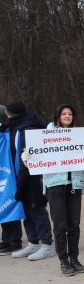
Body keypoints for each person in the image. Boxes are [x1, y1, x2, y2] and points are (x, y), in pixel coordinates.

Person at [42, 104, 84, 276]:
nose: (67, 116)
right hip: (55, 184)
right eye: (64, 113)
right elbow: (35, 156)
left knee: (74, 225)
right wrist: (27, 158)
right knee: (60, 225)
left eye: (70, 113)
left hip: (74, 184)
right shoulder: (46, 135)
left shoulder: (79, 136)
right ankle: (63, 260)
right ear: (58, 116)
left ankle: (74, 258)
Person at [4, 102, 56, 261]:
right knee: (25, 209)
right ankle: (33, 242)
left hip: (32, 175)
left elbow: (29, 158)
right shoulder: (14, 125)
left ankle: (47, 244)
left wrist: (22, 178)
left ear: (10, 112)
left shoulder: (30, 128)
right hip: (19, 174)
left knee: (36, 208)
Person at [0, 104, 24, 256]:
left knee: (10, 202)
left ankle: (15, 241)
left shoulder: (8, 133)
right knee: (2, 204)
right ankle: (6, 238)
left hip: (9, 172)